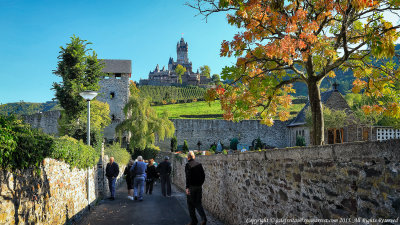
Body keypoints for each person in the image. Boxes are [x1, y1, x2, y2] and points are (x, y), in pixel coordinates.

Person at [185, 151, 207, 225]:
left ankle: (194, 221)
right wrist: (200, 184)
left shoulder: (188, 165)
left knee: (190, 204)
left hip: (191, 187)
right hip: (199, 187)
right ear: (194, 157)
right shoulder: (199, 164)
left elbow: (188, 177)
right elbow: (203, 176)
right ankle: (204, 218)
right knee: (198, 203)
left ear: (188, 157)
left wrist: (187, 187)